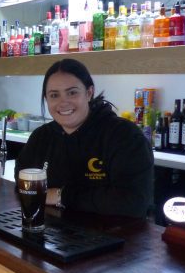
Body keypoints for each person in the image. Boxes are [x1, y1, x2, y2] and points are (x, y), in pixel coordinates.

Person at [15, 58, 153, 219]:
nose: (63, 102)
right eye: (54, 95)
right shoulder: (41, 137)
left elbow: (134, 201)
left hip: (114, 236)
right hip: (51, 234)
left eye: (72, 92)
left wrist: (61, 196)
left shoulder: (124, 136)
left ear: (89, 93)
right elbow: (22, 184)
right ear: (46, 99)